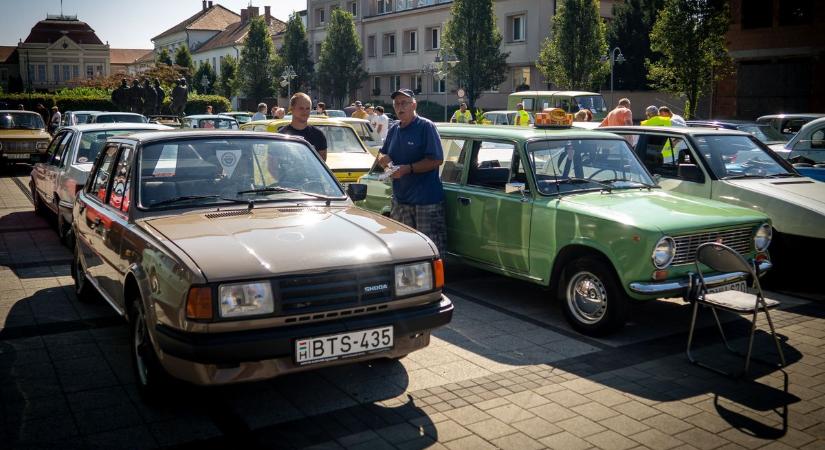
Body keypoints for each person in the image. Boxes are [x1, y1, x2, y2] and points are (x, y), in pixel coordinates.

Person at [377, 88, 446, 255]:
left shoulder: (425, 127)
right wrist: (384, 160)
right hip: (400, 202)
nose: (400, 107)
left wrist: (408, 169)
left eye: (404, 103)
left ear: (414, 104)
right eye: (396, 104)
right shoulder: (394, 129)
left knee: (429, 252)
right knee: (403, 252)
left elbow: (437, 159)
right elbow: (382, 153)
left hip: (425, 202)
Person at [279, 92, 328, 161]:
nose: (305, 112)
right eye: (301, 108)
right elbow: (272, 167)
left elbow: (322, 165)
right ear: (292, 109)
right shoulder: (280, 136)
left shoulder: (318, 135)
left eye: (307, 108)